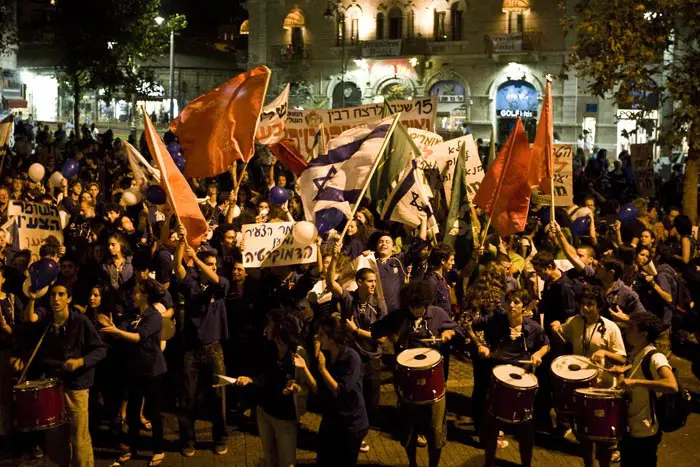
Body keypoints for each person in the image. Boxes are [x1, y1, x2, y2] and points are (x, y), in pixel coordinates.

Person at [371, 280, 462, 467]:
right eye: (413, 307)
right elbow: (376, 330)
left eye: (421, 307)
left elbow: (457, 331)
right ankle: (412, 463)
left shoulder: (437, 314)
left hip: (434, 383)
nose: (417, 311)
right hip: (407, 384)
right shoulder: (400, 316)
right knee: (409, 428)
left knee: (436, 430)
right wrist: (388, 336)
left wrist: (449, 333)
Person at [22, 282, 107, 467]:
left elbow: (100, 349)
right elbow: (30, 320)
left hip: (77, 386)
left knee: (79, 437)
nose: (56, 299)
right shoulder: (46, 323)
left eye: (61, 295)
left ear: (69, 298)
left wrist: (80, 361)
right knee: (55, 438)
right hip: (53, 386)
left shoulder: (80, 322)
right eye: (53, 295)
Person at [465, 288, 549, 467]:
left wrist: (539, 354)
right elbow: (470, 326)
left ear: (524, 307)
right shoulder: (495, 320)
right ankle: (489, 462)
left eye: (516, 302)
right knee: (492, 424)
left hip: (522, 377)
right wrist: (480, 345)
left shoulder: (533, 328)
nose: (511, 305)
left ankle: (526, 463)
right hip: (496, 375)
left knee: (525, 427)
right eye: (509, 301)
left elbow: (546, 344)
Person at [552, 285, 627, 466]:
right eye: (583, 304)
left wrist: (605, 353)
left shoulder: (610, 328)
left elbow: (622, 358)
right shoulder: (576, 322)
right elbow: (563, 334)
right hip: (582, 387)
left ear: (599, 306)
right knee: (585, 437)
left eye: (590, 304)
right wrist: (556, 328)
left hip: (603, 387)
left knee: (603, 441)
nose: (585, 308)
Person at [173, 225, 229, 457]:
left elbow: (216, 279)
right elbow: (177, 267)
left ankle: (220, 437)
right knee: (187, 397)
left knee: (219, 396)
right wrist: (180, 243)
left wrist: (196, 257)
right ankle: (187, 440)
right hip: (191, 350)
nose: (212, 268)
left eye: (214, 265)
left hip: (214, 348)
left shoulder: (222, 283)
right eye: (209, 264)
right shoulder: (191, 284)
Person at [100, 280, 167, 467]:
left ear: (145, 295)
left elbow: (138, 337)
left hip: (152, 370)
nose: (133, 295)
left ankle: (158, 449)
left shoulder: (154, 316)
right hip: (136, 369)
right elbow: (125, 333)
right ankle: (132, 447)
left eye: (137, 292)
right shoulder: (135, 314)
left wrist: (117, 331)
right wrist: (114, 329)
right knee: (132, 411)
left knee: (153, 412)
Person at [327, 245, 387, 453]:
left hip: (372, 359)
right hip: (353, 360)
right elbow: (331, 283)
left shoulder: (379, 305)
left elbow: (382, 337)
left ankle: (364, 430)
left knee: (371, 401)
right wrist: (334, 259)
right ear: (359, 282)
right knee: (353, 398)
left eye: (374, 281)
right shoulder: (349, 299)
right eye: (369, 281)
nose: (373, 285)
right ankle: (354, 434)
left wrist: (357, 330)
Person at [235, 309, 311, 467]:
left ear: (280, 329)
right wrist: (250, 380)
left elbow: (307, 387)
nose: (266, 329)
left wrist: (296, 387)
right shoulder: (268, 348)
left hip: (285, 417)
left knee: (287, 462)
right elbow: (264, 377)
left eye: (269, 325)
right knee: (270, 458)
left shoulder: (298, 354)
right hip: (264, 411)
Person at [613, 312, 679, 467]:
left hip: (646, 431)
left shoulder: (656, 357)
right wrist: (621, 374)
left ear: (643, 335)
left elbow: (672, 385)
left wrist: (636, 381)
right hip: (632, 427)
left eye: (631, 328)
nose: (627, 331)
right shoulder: (637, 353)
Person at [308, 315, 368, 467]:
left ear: (333, 338)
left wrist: (323, 370)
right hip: (332, 418)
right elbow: (319, 387)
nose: (318, 337)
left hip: (351, 423)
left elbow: (341, 392)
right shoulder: (326, 355)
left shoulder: (351, 358)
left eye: (321, 335)